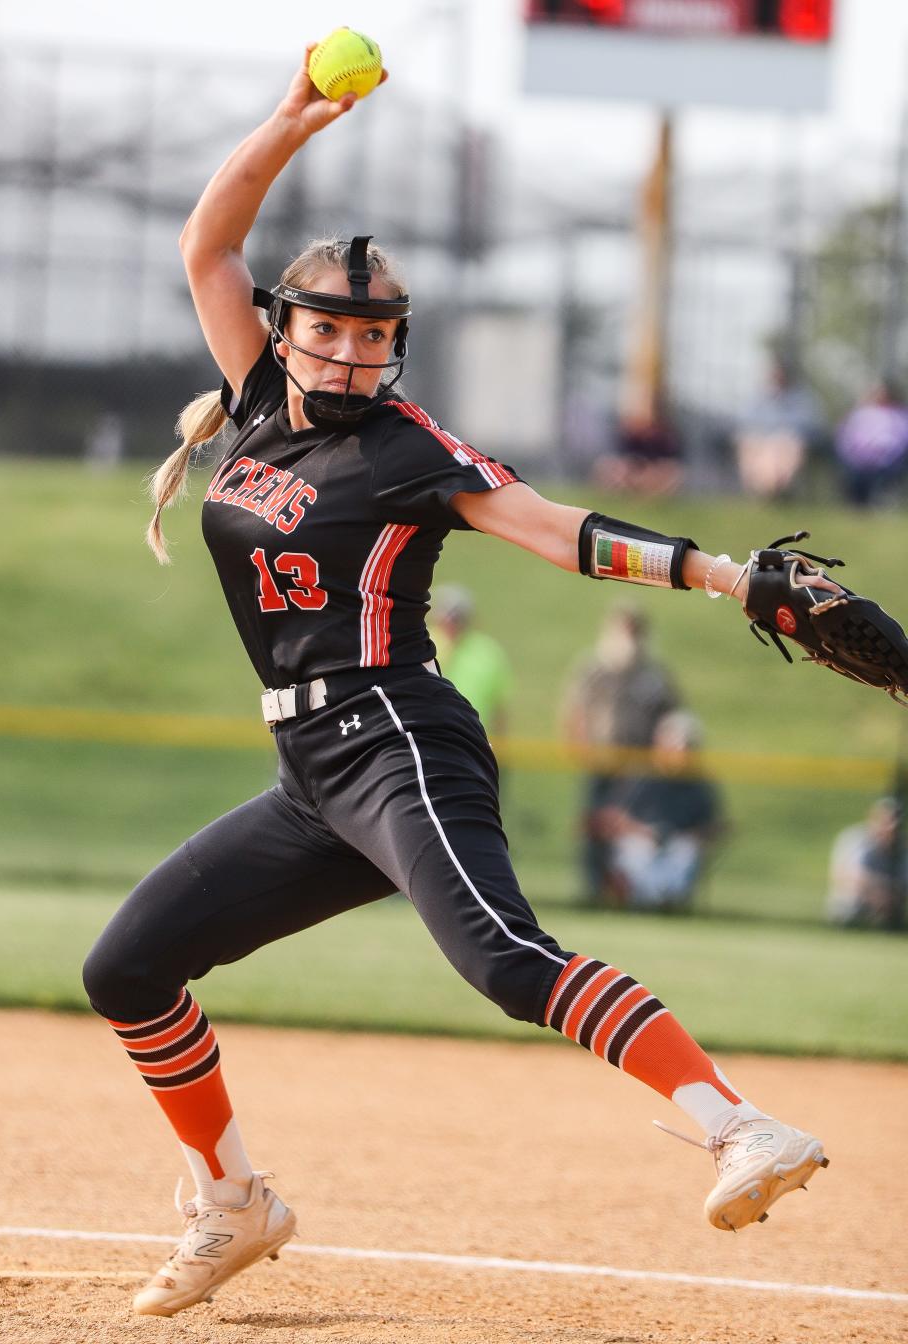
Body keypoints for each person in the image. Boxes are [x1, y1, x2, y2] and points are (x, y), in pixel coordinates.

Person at [81, 48, 831, 1319]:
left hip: (399, 743)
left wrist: (716, 574)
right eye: (325, 326)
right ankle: (234, 1203)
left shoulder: (409, 449)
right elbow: (209, 243)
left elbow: (554, 530)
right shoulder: (259, 398)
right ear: (285, 330)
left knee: (501, 959)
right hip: (311, 776)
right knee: (128, 972)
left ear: (396, 350)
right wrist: (288, 120)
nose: (348, 350)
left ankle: (737, 1126)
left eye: (373, 335)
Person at [561, 605, 680, 902]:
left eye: (634, 631)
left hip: (639, 769)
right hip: (600, 763)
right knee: (595, 826)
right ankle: (592, 890)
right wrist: (582, 750)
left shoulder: (654, 675)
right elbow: (574, 712)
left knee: (630, 832)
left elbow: (670, 719)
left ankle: (628, 894)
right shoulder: (593, 669)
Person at [594, 710, 723, 912]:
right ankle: (641, 904)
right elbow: (611, 816)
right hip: (641, 839)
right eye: (679, 746)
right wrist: (642, 831)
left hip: (676, 842)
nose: (683, 753)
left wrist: (690, 836)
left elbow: (711, 825)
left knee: (684, 851)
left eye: (688, 747)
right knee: (639, 851)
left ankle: (666, 905)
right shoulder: (640, 775)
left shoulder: (698, 785)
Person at [733, 357, 822, 500]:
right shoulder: (757, 399)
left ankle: (774, 487)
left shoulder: (802, 400)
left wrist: (780, 436)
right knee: (752, 444)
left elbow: (811, 427)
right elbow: (745, 424)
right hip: (760, 444)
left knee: (782, 445)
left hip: (786, 445)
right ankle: (766, 487)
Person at [431, 584, 512, 735]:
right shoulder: (425, 643)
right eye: (447, 616)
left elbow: (499, 707)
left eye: (457, 617)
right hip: (429, 733)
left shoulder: (488, 652)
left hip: (473, 735)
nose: (451, 622)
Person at [825, 796, 906, 928]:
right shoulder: (854, 839)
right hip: (854, 903)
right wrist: (879, 891)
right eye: (886, 820)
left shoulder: (902, 848)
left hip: (889, 905)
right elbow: (846, 875)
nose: (891, 826)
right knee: (851, 902)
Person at [835, 378, 908, 508]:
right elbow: (845, 437)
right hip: (857, 461)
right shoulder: (860, 414)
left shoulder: (900, 414)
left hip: (889, 461)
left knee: (880, 479)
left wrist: (885, 455)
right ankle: (857, 506)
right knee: (856, 480)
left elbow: (902, 440)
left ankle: (878, 503)